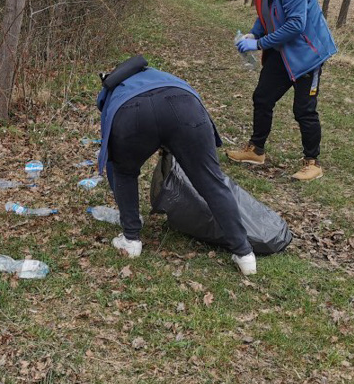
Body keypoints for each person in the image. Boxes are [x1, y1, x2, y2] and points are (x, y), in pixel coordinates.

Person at [96, 55, 256, 275]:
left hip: (130, 112)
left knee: (123, 172)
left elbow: (114, 163)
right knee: (211, 181)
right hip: (183, 105)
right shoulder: (160, 75)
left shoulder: (111, 91)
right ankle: (245, 254)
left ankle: (131, 239)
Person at [228, 0, 338, 181]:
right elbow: (266, 14)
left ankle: (312, 162)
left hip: (307, 54)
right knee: (263, 97)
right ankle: (256, 150)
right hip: (283, 51)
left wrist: (258, 44)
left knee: (304, 110)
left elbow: (296, 25)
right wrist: (254, 33)